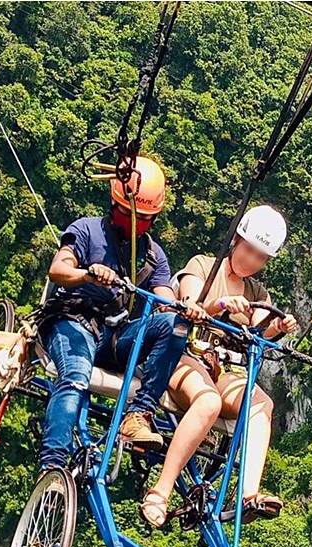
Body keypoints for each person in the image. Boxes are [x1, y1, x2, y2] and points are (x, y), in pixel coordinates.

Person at [37, 156, 201, 474]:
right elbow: (58, 269)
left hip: (115, 335)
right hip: (74, 321)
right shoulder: (86, 230)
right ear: (114, 206)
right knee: (75, 376)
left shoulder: (152, 255)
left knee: (174, 324)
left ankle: (139, 414)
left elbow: (165, 299)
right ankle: (52, 463)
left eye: (145, 218)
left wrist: (183, 308)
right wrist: (87, 274)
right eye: (128, 214)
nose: (136, 223)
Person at [139, 205, 298, 528]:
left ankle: (248, 495)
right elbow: (190, 300)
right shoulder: (203, 266)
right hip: (184, 354)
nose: (250, 261)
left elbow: (259, 328)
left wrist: (278, 327)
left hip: (224, 368)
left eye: (259, 257)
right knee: (208, 401)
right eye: (248, 250)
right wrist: (220, 304)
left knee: (261, 405)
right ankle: (160, 492)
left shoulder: (256, 291)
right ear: (236, 241)